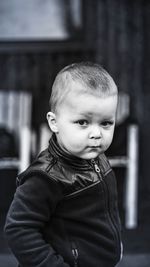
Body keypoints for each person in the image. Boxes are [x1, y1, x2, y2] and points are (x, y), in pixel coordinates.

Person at [4, 62, 122, 267]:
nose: (96, 134)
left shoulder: (96, 158)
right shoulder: (45, 176)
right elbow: (19, 229)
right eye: (83, 122)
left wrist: (114, 245)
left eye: (106, 123)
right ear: (54, 122)